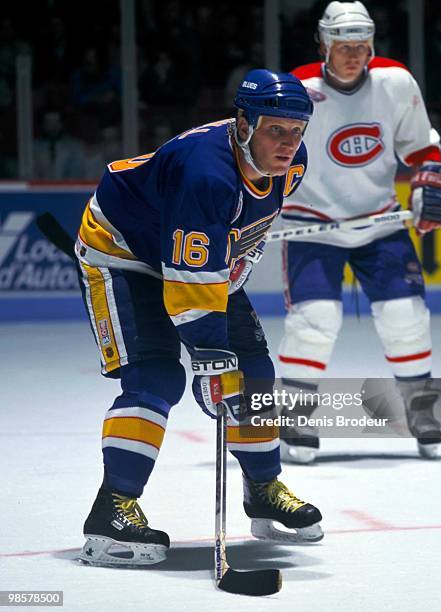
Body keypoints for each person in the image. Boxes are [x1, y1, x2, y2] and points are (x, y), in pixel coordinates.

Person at [75, 69, 323, 567]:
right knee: (156, 376)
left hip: (196, 259)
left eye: (297, 131)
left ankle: (263, 486)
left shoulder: (291, 163)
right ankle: (111, 510)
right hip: (122, 254)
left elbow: (239, 235)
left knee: (254, 372)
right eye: (277, 130)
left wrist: (230, 352)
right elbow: (189, 288)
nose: (288, 143)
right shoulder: (205, 173)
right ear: (245, 123)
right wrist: (211, 357)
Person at [277, 1, 441, 464]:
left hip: (379, 221)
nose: (353, 55)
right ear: (323, 45)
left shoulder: (395, 82)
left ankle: (421, 408)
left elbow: (421, 149)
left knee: (405, 315)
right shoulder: (297, 88)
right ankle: (296, 416)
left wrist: (426, 183)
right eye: (343, 47)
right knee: (315, 321)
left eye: (361, 46)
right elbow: (265, 152)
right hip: (311, 225)